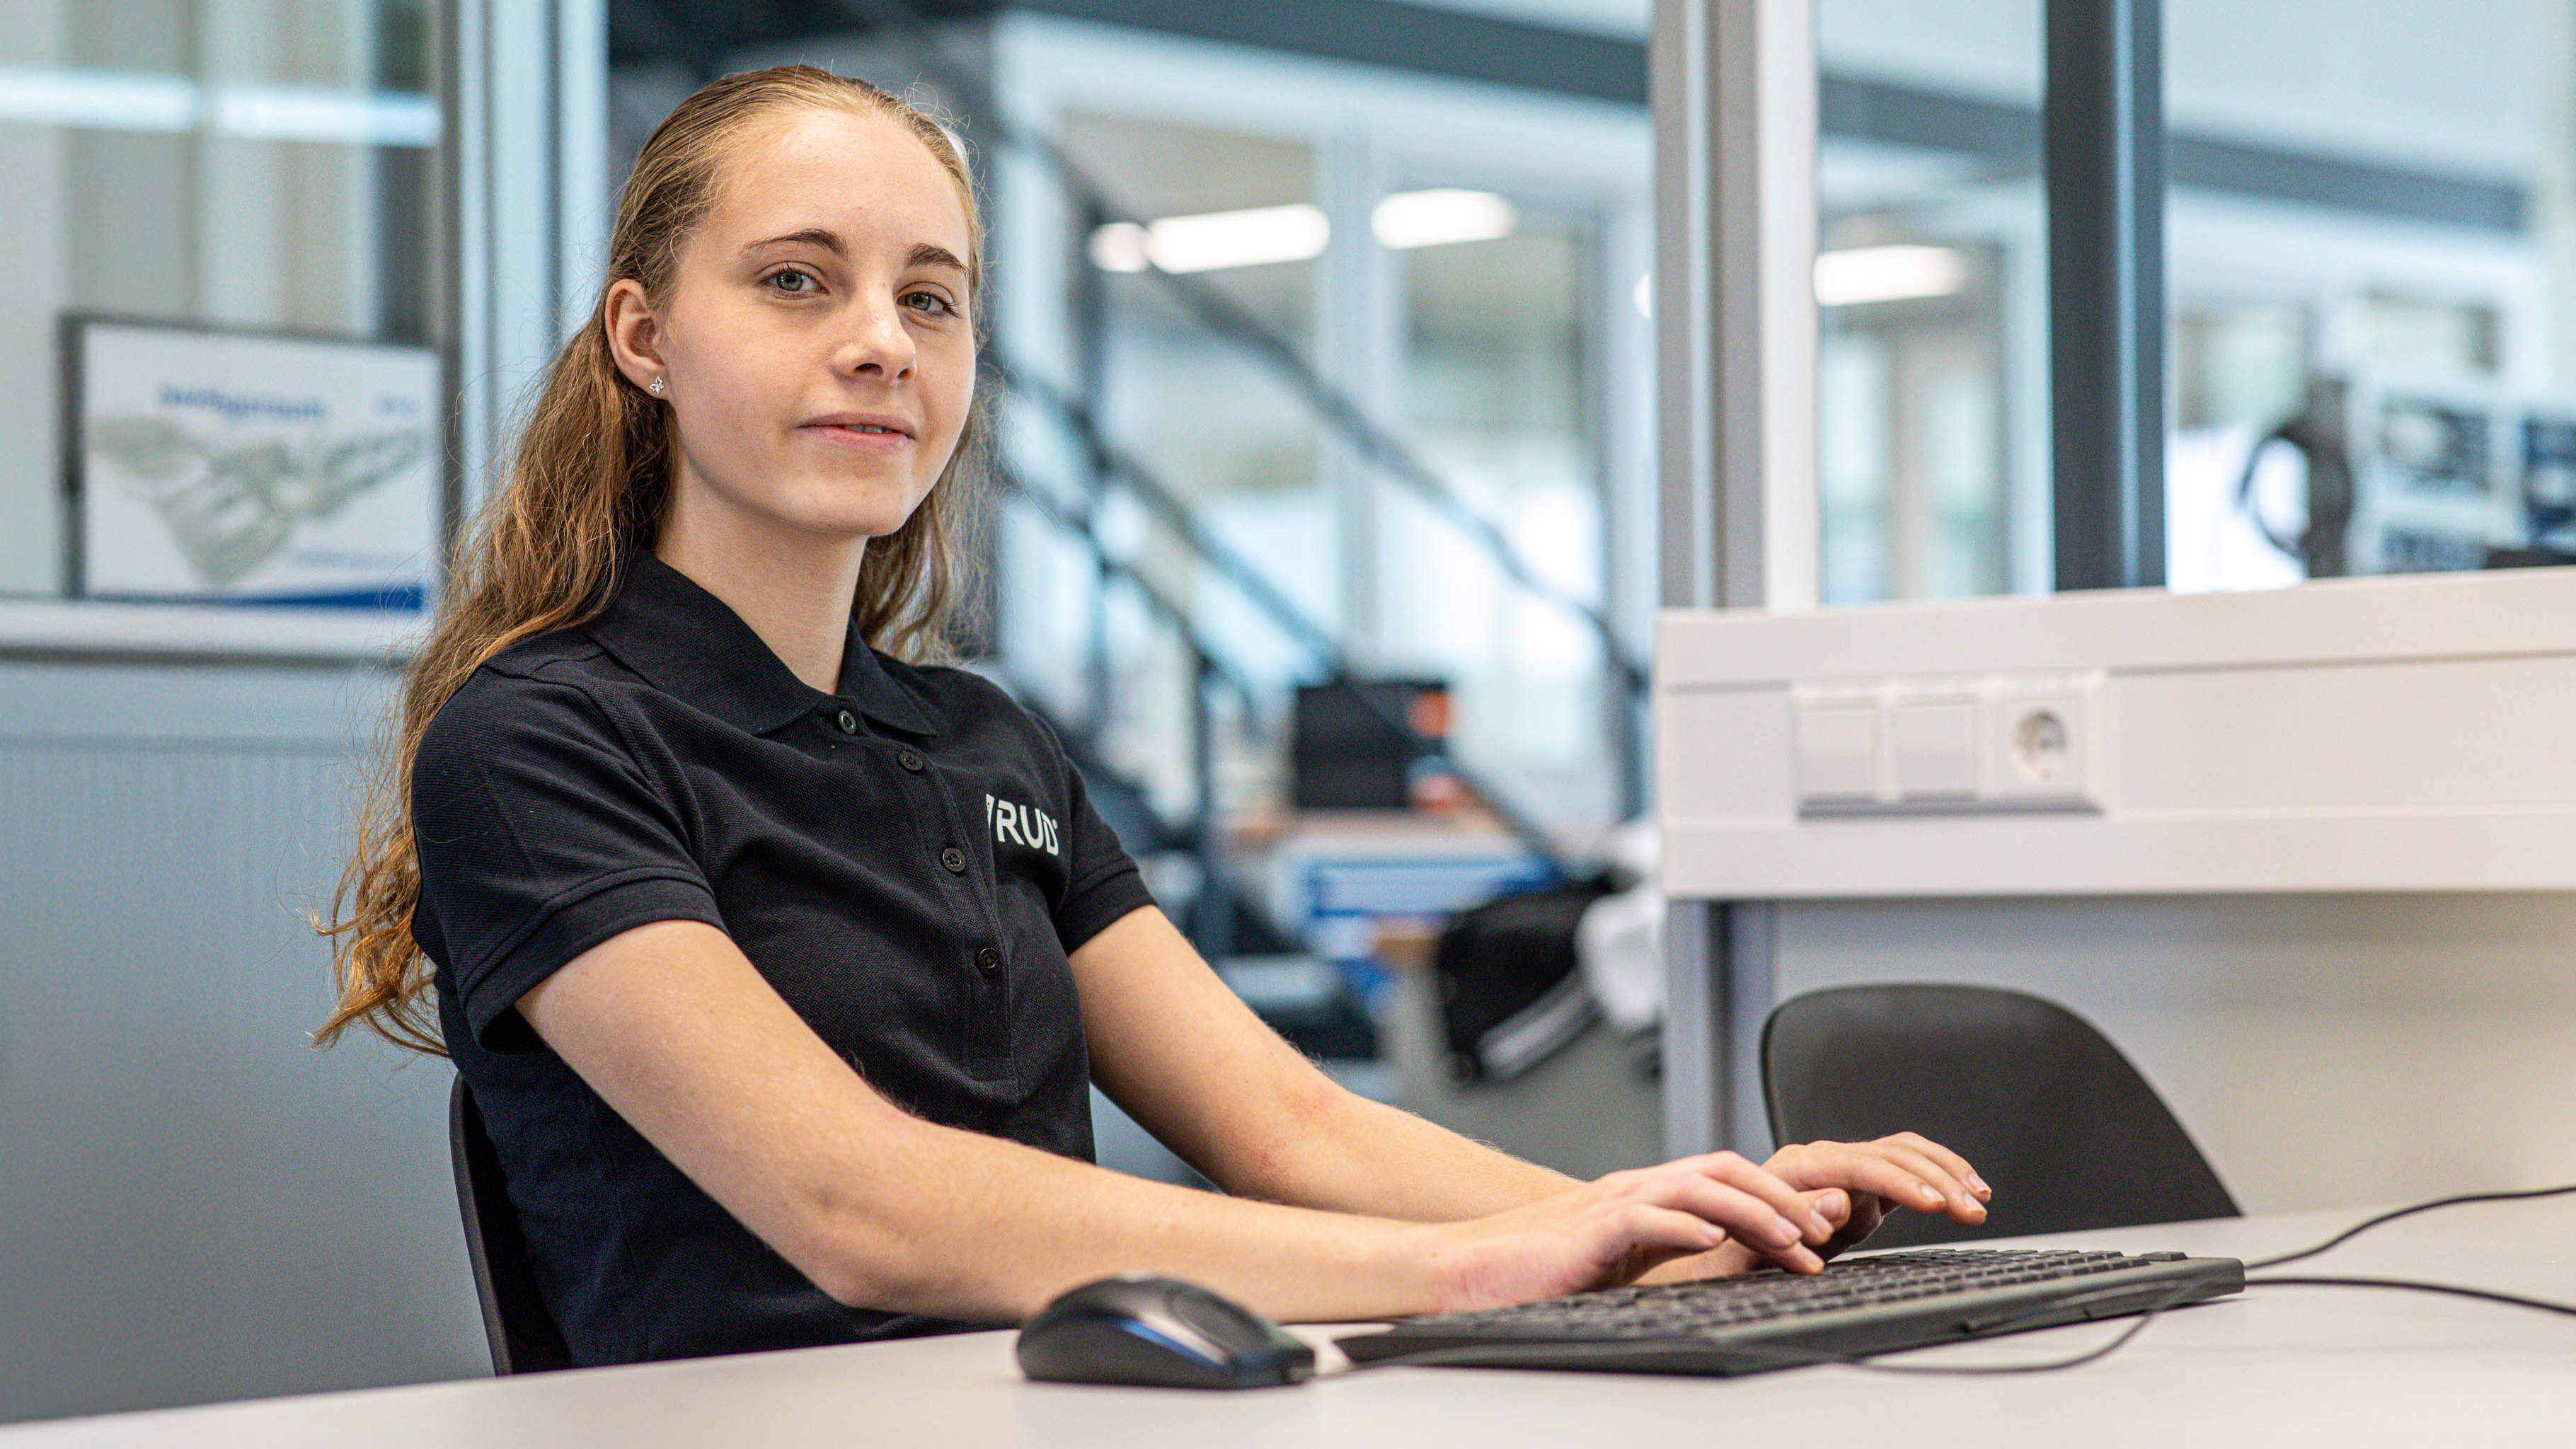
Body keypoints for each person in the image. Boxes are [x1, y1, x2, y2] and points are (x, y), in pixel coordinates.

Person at [318, 65, 1991, 1368]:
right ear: (645, 338)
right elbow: (860, 1209)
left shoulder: (983, 742)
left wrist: (1660, 1219)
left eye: (930, 296)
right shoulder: (537, 740)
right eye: (795, 281)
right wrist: (1476, 1269)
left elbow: (1286, 1119)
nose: (878, 344)